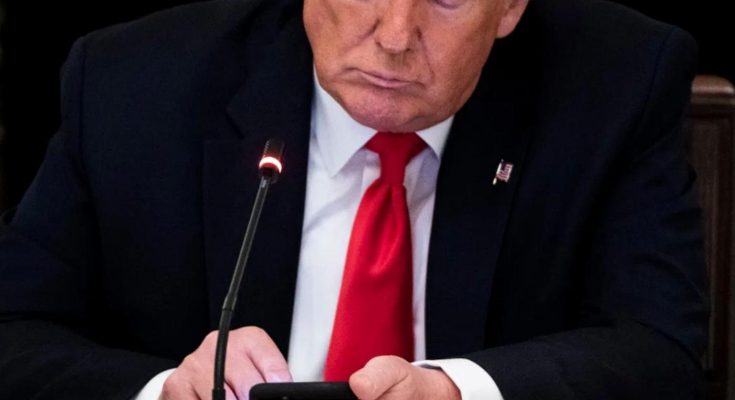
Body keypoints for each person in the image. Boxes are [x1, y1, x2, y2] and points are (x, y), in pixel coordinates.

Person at [0, 0, 709, 399]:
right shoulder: (135, 87)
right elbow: (16, 334)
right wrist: (164, 390)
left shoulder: (615, 86)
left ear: (510, 8)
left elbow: (658, 350)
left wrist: (459, 390)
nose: (395, 36)